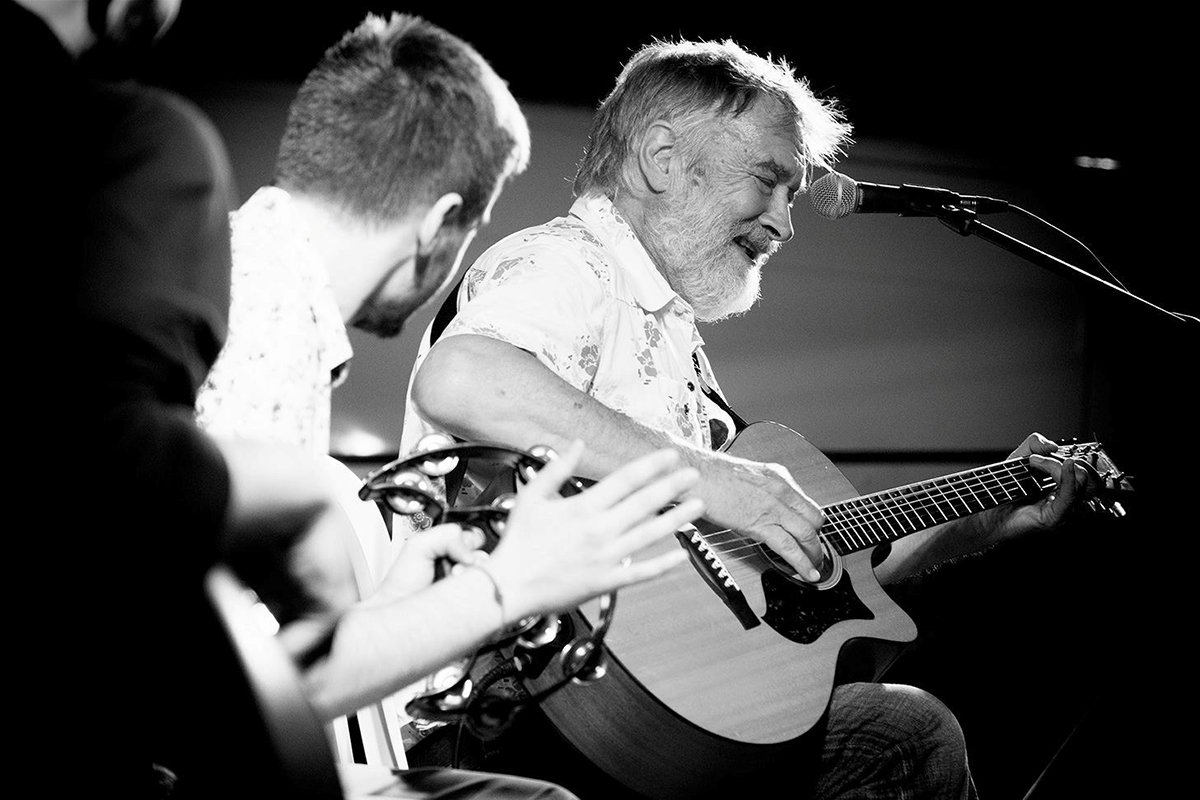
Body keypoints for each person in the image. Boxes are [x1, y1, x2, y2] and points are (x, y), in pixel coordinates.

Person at [13, 2, 703, 798]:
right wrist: (513, 584)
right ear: (442, 225)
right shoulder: (268, 329)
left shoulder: (258, 275)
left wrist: (390, 606)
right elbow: (222, 700)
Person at [402, 38, 1109, 799]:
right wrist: (713, 477)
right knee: (908, 737)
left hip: (656, 722)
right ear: (663, 159)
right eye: (768, 182)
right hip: (525, 711)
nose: (785, 223)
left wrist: (977, 525)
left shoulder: (673, 340)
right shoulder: (568, 267)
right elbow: (464, 375)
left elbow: (811, 600)